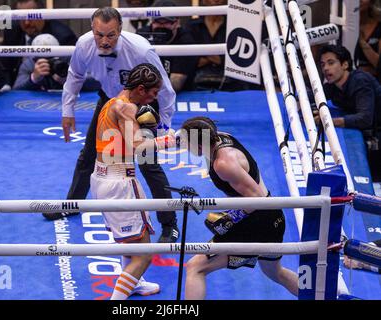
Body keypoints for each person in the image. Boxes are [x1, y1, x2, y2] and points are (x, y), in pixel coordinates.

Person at [45, 7, 180, 244]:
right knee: (89, 155)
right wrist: (67, 110)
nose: (104, 41)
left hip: (143, 104)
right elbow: (75, 75)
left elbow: (166, 90)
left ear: (120, 30)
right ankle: (72, 205)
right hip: (109, 100)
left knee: (149, 163)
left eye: (110, 35)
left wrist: (164, 125)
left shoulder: (140, 50)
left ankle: (170, 224)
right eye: (99, 34)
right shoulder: (84, 45)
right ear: (92, 30)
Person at [178, 116, 298, 300]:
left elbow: (257, 198)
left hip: (257, 223)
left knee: (196, 267)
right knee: (276, 273)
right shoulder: (222, 137)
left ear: (199, 145)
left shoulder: (223, 164)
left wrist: (230, 217)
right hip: (271, 219)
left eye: (189, 145)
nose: (187, 149)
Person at [92, 63, 176, 299]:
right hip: (119, 182)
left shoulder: (112, 102)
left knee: (130, 239)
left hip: (103, 178)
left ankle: (134, 281)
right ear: (140, 88)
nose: (154, 97)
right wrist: (172, 140)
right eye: (153, 92)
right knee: (144, 253)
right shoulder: (127, 109)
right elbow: (139, 148)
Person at [318, 44, 380, 179]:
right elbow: (310, 95)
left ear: (345, 65)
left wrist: (329, 121)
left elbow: (365, 118)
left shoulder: (360, 81)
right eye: (322, 65)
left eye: (331, 63)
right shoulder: (333, 86)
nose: (326, 68)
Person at [1, 0, 77, 88]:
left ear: (43, 14)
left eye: (31, 16)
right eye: (22, 17)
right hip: (22, 87)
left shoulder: (63, 36)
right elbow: (5, 65)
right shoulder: (12, 32)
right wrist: (6, 86)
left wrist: (66, 79)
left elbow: (82, 74)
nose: (27, 22)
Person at [185, 0, 251, 91]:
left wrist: (204, 53)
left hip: (232, 81)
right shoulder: (192, 26)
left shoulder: (236, 26)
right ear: (204, 1)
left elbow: (237, 60)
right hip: (196, 81)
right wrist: (220, 58)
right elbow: (190, 59)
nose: (216, 0)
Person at [136, 0, 197, 92]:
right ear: (152, 21)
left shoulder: (185, 40)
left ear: (176, 23)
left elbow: (176, 84)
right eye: (158, 22)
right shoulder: (141, 36)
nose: (161, 26)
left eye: (167, 22)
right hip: (146, 92)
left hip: (180, 95)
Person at [354, 0, 381, 81]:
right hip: (351, 82)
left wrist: (362, 42)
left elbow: (379, 64)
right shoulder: (342, 27)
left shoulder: (379, 27)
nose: (359, 1)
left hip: (374, 82)